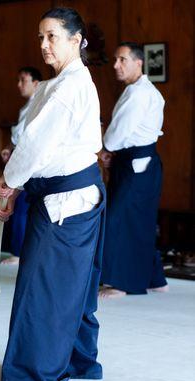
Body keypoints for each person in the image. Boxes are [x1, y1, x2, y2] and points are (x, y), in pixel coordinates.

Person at [0, 7, 106, 381]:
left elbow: (35, 147)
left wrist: (8, 184)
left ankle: (35, 372)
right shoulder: (62, 83)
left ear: (76, 40)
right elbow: (35, 147)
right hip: (67, 195)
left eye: (52, 36)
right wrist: (13, 185)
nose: (43, 44)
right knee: (71, 284)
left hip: (68, 200)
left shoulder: (69, 86)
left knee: (44, 286)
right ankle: (75, 361)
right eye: (40, 36)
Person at [99, 42, 168, 298]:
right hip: (137, 162)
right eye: (116, 60)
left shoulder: (140, 93)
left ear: (139, 62)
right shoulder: (139, 90)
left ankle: (122, 282)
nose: (116, 65)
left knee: (119, 220)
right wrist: (113, 151)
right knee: (139, 220)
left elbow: (118, 134)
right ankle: (155, 278)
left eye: (122, 60)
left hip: (137, 164)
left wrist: (107, 148)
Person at [0, 67, 42, 265]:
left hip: (29, 164)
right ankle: (18, 250)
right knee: (17, 206)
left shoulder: (40, 105)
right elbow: (17, 137)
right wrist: (9, 148)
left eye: (23, 80)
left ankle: (20, 253)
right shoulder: (26, 107)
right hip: (19, 159)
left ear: (36, 83)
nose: (19, 85)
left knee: (22, 207)